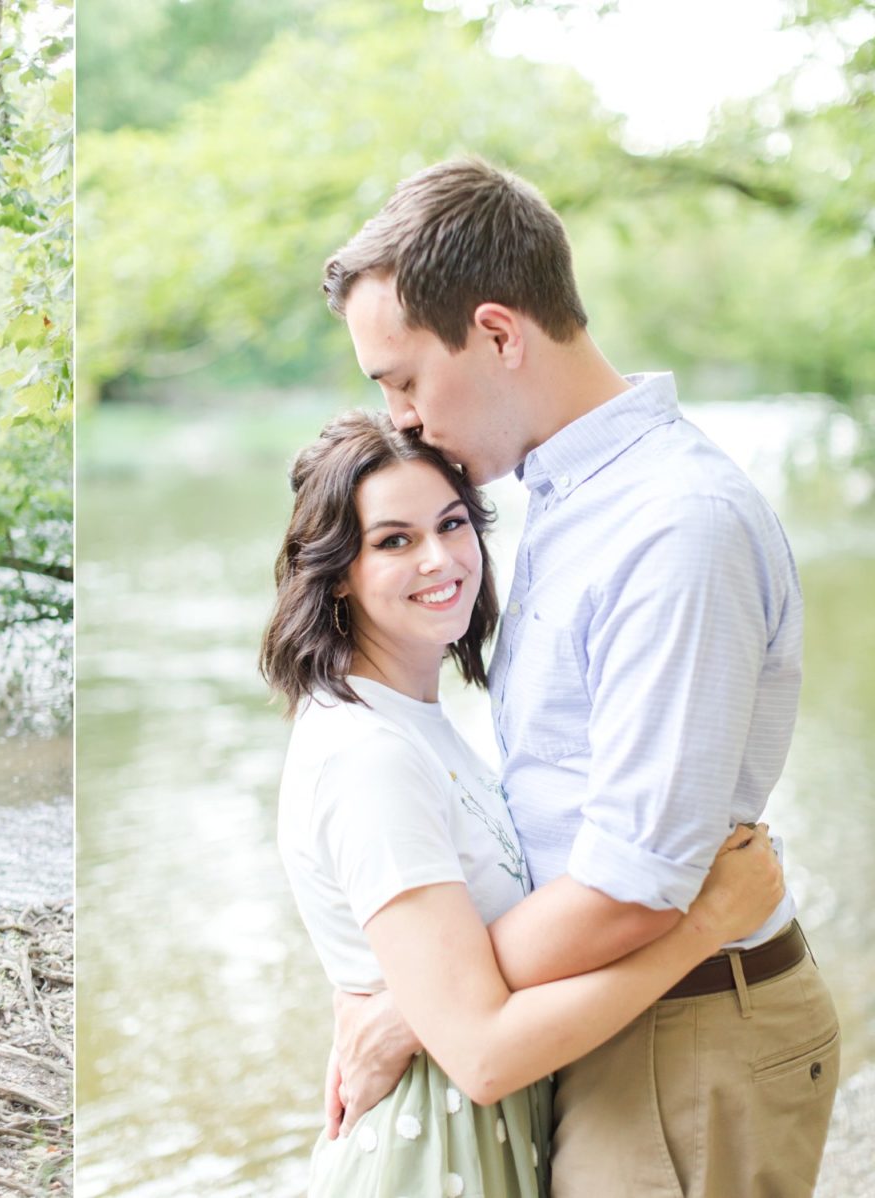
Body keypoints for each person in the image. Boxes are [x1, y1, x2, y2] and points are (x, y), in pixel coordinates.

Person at [313, 158, 838, 1197]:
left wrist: (425, 1007)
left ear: (500, 334)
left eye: (404, 378)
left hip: (688, 1033)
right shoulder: (565, 492)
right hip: (616, 1015)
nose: (402, 417)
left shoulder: (671, 527)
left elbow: (632, 885)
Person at [261, 410, 784, 1196]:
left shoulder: (412, 724)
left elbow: (441, 963)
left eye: (451, 524)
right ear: (337, 570)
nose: (440, 560)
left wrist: (400, 1008)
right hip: (430, 1158)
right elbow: (481, 1055)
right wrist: (701, 923)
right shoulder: (367, 754)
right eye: (394, 540)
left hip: (474, 1141)